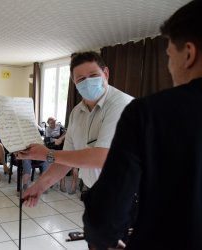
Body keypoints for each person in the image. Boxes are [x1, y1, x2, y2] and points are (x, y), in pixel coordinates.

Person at [82, 1, 202, 249]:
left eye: (169, 56)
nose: (169, 68)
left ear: (189, 54)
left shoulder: (148, 113)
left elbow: (105, 219)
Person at [18, 51, 133, 206]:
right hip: (95, 191)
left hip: (126, 196)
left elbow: (102, 158)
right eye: (81, 79)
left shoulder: (121, 105)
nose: (88, 82)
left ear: (105, 73)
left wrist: (48, 154)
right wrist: (39, 186)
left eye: (93, 75)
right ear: (74, 82)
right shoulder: (77, 112)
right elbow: (66, 160)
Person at [44, 117, 74, 193]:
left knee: (61, 165)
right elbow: (49, 140)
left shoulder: (59, 126)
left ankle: (61, 183)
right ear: (48, 123)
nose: (53, 124)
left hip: (60, 147)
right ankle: (50, 182)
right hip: (51, 147)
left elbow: (66, 132)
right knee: (51, 165)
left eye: (54, 122)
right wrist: (57, 139)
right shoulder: (47, 129)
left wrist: (61, 138)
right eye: (51, 123)